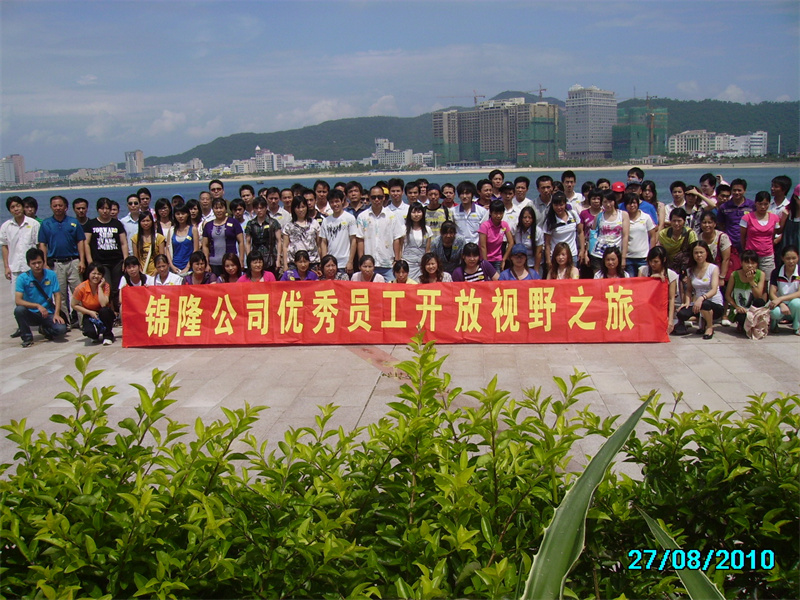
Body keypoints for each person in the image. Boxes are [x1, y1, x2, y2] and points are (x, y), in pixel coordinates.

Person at [38, 195, 86, 329]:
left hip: (73, 261)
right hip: (56, 264)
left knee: (79, 292)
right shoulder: (46, 224)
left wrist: (82, 261)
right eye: (55, 206)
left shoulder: (73, 222)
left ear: (66, 207)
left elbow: (80, 242)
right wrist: (44, 263)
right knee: (61, 295)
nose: (58, 208)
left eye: (60, 205)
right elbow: (42, 244)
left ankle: (83, 322)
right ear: (51, 207)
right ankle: (66, 322)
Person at [13, 248, 67, 347]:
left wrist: (57, 314)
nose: (37, 266)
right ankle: (27, 337)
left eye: (39, 262)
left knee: (61, 329)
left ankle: (44, 329)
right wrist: (37, 306)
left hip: (48, 313)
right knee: (19, 310)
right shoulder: (22, 278)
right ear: (28, 264)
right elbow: (18, 300)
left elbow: (57, 295)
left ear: (43, 262)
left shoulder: (51, 275)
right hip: (31, 313)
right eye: (33, 263)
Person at [84, 197, 128, 312]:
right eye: (102, 208)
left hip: (117, 261)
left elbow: (123, 243)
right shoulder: (91, 224)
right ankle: (110, 311)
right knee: (106, 286)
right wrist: (90, 261)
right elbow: (86, 243)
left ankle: (118, 311)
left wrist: (125, 260)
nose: (105, 211)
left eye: (107, 208)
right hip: (100, 262)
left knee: (117, 287)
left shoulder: (117, 224)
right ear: (98, 209)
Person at [1, 197, 40, 325]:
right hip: (15, 268)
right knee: (16, 299)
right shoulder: (6, 226)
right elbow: (5, 247)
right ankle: (22, 326)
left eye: (18, 206)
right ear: (9, 210)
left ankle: (41, 323)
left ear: (23, 207)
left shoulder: (33, 224)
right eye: (12, 207)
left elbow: (39, 245)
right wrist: (6, 267)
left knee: (35, 296)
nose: (16, 209)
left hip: (32, 268)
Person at [676, 241, 724, 340]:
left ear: (706, 253)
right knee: (682, 313)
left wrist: (702, 298)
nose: (699, 255)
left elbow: (714, 289)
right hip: (698, 304)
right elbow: (689, 290)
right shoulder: (690, 270)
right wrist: (687, 302)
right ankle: (701, 319)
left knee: (705, 304)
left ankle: (709, 327)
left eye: (701, 252)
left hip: (713, 304)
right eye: (696, 253)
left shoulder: (713, 268)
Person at [356, 185, 404, 282]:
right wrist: (361, 261)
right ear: (370, 198)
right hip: (369, 265)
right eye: (373, 197)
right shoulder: (362, 216)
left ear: (384, 198)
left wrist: (397, 260)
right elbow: (360, 240)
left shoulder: (392, 216)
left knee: (390, 289)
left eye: (380, 197)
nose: (377, 200)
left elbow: (396, 239)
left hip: (388, 264)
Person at [740, 191, 781, 283]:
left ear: (769, 204)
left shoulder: (774, 218)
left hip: (767, 255)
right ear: (755, 203)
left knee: (768, 280)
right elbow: (742, 236)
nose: (763, 207)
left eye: (766, 204)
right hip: (751, 255)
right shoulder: (747, 218)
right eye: (760, 204)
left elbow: (774, 234)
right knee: (750, 278)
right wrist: (745, 251)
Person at [72, 262, 116, 345]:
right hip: (89, 313)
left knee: (105, 311)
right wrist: (89, 312)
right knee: (89, 332)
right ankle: (95, 335)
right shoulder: (81, 287)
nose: (96, 276)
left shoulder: (105, 286)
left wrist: (100, 287)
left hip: (103, 312)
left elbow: (103, 304)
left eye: (99, 274)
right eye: (94, 273)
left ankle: (108, 336)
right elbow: (74, 304)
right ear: (88, 273)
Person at [587, 190, 630, 275]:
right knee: (599, 278)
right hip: (598, 254)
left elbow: (625, 236)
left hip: (615, 254)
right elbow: (592, 235)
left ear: (614, 201)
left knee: (615, 277)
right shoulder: (599, 216)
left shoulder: (623, 215)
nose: (608, 204)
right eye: (605, 202)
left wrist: (623, 257)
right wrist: (587, 252)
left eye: (610, 201)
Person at [725, 250, 767, 335]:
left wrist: (751, 281)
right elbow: (727, 295)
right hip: (739, 308)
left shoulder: (761, 274)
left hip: (752, 308)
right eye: (747, 263)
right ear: (741, 263)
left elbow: (758, 296)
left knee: (760, 302)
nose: (750, 266)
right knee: (742, 317)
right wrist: (736, 307)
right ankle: (741, 324)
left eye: (753, 263)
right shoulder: (734, 275)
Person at [638, 246, 677, 335]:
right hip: (646, 306)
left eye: (656, 262)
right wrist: (651, 280)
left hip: (662, 307)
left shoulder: (671, 275)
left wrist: (670, 320)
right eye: (650, 261)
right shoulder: (643, 270)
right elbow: (639, 291)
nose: (652, 264)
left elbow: (671, 299)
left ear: (664, 260)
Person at [319, 189, 357, 277]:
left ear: (342, 201)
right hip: (330, 264)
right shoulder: (326, 221)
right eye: (332, 202)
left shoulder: (350, 218)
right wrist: (324, 262)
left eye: (337, 201)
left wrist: (350, 261)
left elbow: (353, 240)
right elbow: (323, 243)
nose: (335, 204)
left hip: (345, 263)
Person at [542, 192, 584, 272]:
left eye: (561, 205)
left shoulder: (573, 214)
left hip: (572, 255)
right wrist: (548, 260)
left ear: (565, 204)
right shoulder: (550, 221)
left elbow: (580, 232)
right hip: (556, 257)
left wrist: (582, 250)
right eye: (556, 205)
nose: (559, 207)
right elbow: (547, 243)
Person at [202, 199, 245, 276]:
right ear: (213, 209)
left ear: (225, 209)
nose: (219, 210)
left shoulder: (233, 222)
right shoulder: (208, 225)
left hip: (231, 263)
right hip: (214, 263)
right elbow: (205, 245)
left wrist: (241, 260)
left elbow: (241, 242)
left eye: (221, 208)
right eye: (216, 208)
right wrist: (207, 263)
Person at [245, 198, 282, 278]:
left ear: (266, 208)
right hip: (256, 258)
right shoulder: (251, 224)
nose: (259, 210)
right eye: (256, 208)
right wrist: (249, 259)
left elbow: (279, 241)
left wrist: (278, 259)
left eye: (261, 208)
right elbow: (248, 243)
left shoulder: (273, 222)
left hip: (271, 258)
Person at [282, 196, 321, 272]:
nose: (301, 210)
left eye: (303, 207)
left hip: (312, 262)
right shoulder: (288, 226)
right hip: (294, 263)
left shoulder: (314, 223)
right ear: (294, 209)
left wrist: (321, 262)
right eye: (298, 207)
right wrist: (285, 264)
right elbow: (285, 246)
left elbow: (319, 244)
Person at [768, 244, 800, 335]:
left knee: (797, 303)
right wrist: (781, 303)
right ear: (782, 258)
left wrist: (781, 298)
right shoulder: (776, 272)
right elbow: (772, 293)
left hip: (793, 305)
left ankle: (797, 326)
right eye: (788, 258)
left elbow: (799, 293)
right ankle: (774, 324)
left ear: (798, 258)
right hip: (779, 304)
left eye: (794, 258)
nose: (791, 261)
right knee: (775, 312)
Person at [623, 193, 657, 277]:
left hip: (643, 257)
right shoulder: (623, 218)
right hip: (628, 258)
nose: (632, 205)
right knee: (630, 282)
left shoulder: (646, 217)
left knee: (643, 281)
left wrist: (651, 254)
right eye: (629, 203)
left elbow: (653, 236)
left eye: (634, 203)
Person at [658, 207, 697, 274]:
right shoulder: (663, 234)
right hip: (669, 266)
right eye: (674, 221)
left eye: (679, 221)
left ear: (684, 221)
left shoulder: (690, 233)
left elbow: (694, 251)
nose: (676, 223)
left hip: (685, 266)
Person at [479, 200, 514, 272]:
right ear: (490, 213)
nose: (498, 216)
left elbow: (511, 242)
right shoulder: (485, 226)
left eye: (500, 213)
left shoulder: (504, 225)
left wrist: (504, 259)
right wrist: (486, 263)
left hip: (498, 259)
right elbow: (483, 246)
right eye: (495, 213)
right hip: (485, 259)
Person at [400, 202, 432, 281]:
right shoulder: (403, 229)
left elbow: (427, 250)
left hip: (422, 265)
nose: (416, 215)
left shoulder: (427, 230)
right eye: (413, 212)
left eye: (419, 212)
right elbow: (400, 248)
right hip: (408, 264)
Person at [166, 204, 199, 276]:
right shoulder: (171, 230)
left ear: (187, 214)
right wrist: (171, 266)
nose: (180, 216)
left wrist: (188, 266)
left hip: (190, 268)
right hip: (175, 267)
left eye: (183, 213)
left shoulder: (193, 229)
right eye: (178, 214)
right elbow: (167, 249)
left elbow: (195, 250)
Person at [131, 212, 166, 277]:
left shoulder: (159, 238)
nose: (146, 223)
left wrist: (156, 272)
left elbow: (162, 257)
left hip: (157, 272)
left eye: (148, 221)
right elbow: (136, 258)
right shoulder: (135, 238)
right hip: (142, 272)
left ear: (152, 222)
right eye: (143, 221)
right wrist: (140, 271)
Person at [514, 206, 543, 274]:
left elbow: (539, 253)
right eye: (525, 217)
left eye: (530, 217)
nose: (527, 220)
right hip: (519, 264)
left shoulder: (538, 231)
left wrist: (536, 270)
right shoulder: (516, 230)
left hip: (533, 264)